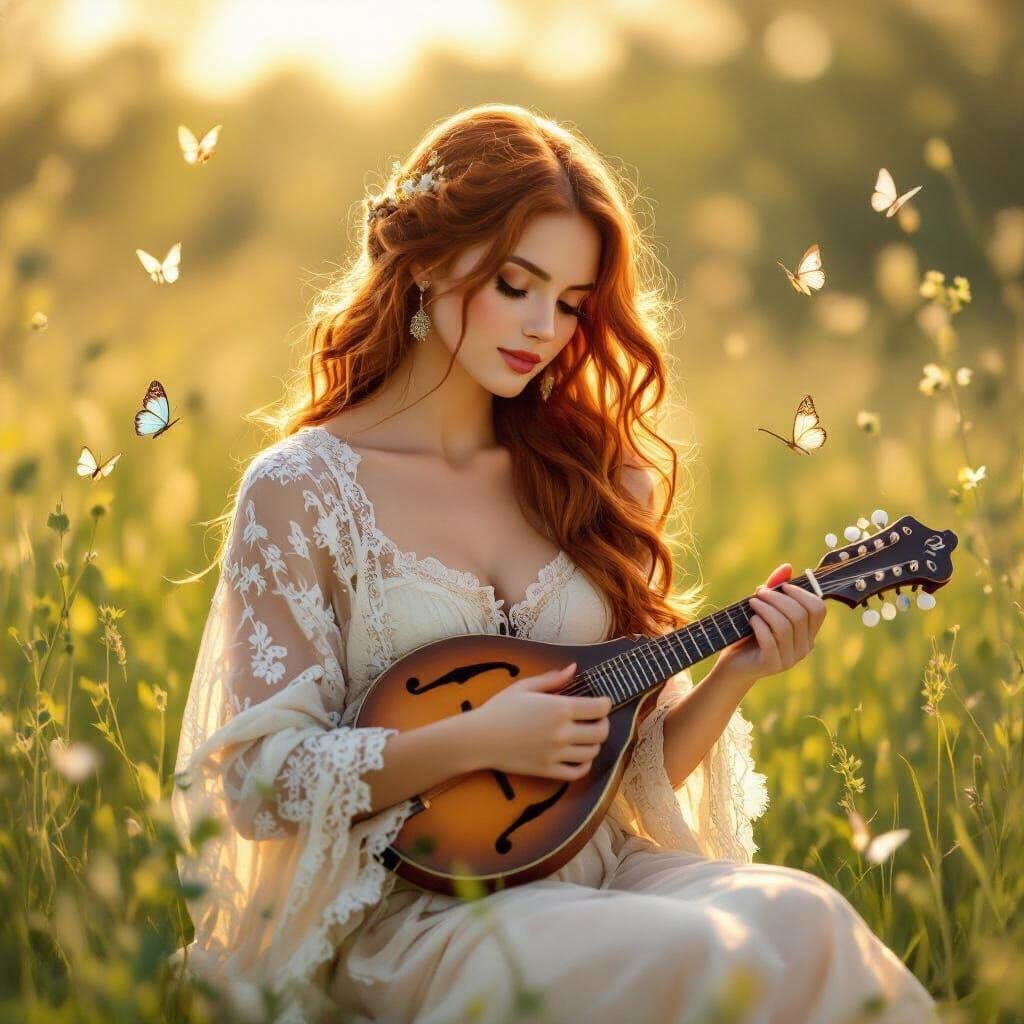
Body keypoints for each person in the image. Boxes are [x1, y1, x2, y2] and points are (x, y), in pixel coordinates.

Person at [170, 103, 938, 1024]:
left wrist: (736, 672)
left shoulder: (590, 479)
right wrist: (472, 740)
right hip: (423, 910)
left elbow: (631, 767)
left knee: (806, 915)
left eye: (571, 303)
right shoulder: (302, 490)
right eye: (516, 284)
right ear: (425, 260)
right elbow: (257, 784)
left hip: (608, 874)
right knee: (685, 952)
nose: (544, 326)